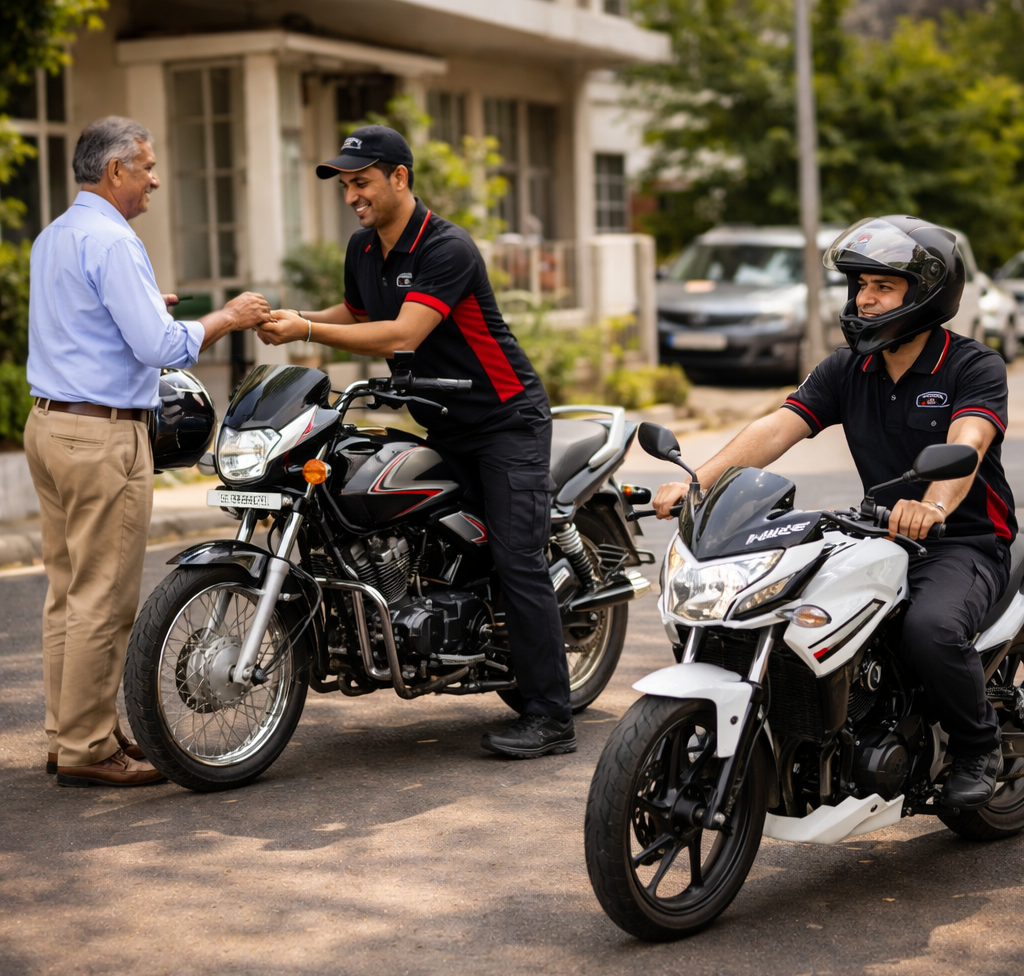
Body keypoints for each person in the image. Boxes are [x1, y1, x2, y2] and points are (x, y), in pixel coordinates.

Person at [653, 215, 1013, 810]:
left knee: (929, 630)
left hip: (963, 541)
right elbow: (777, 427)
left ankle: (979, 746)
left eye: (882, 287)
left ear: (925, 293)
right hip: (880, 530)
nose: (864, 300)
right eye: (860, 286)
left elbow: (968, 442)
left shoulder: (971, 366)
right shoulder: (849, 367)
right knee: (780, 607)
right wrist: (697, 479)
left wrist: (933, 506)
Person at [255, 124, 575, 758]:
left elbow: (402, 333)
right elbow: (356, 312)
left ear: (400, 177)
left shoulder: (447, 247)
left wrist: (306, 333)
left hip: (505, 420)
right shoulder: (364, 248)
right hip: (440, 419)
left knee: (517, 560)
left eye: (362, 182)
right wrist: (294, 318)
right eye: (346, 185)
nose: (353, 196)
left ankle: (550, 717)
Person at [25, 116, 271, 787]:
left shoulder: (55, 237)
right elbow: (160, 349)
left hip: (49, 426)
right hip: (100, 435)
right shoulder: (113, 239)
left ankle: (70, 732)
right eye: (147, 167)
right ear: (114, 172)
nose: (155, 179)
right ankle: (87, 748)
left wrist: (150, 311)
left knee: (68, 594)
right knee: (103, 599)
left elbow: (87, 325)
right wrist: (230, 316)